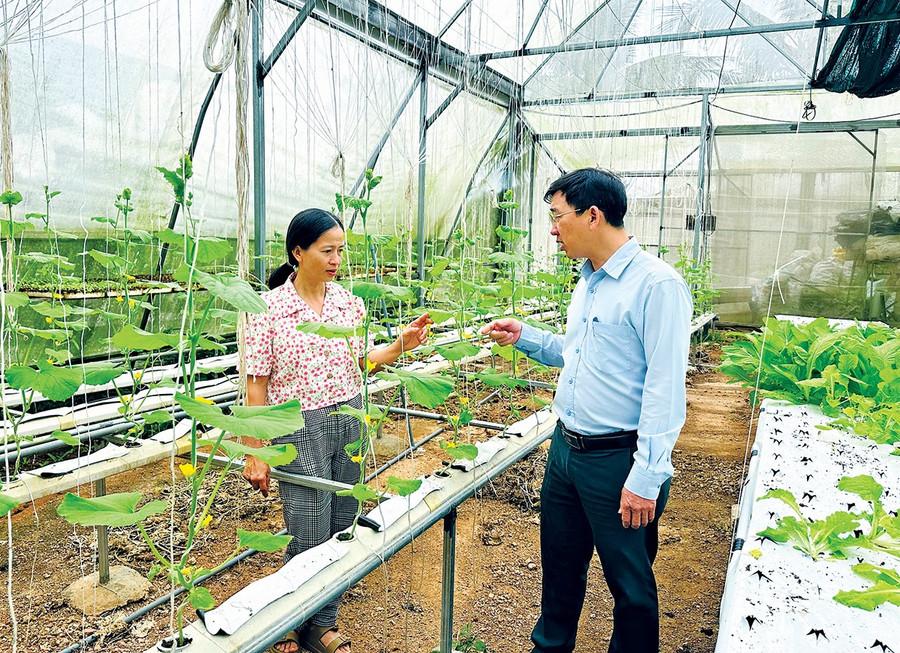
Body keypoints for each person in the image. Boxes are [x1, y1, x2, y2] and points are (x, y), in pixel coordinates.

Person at [480, 168, 692, 653]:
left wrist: (646, 476)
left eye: (557, 217)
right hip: (566, 451)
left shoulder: (657, 286)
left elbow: (664, 390)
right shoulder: (589, 281)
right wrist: (528, 338)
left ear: (592, 215)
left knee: (630, 586)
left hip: (618, 460)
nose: (552, 229)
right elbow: (578, 353)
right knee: (559, 569)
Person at [241, 208, 432, 653]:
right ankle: (293, 621)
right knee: (308, 531)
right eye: (327, 250)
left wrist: (400, 345)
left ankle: (319, 625)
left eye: (340, 251)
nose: (335, 260)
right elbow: (256, 385)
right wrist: (256, 450)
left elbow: (362, 360)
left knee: (343, 524)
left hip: (348, 416)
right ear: (297, 252)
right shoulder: (268, 309)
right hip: (297, 424)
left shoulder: (348, 302)